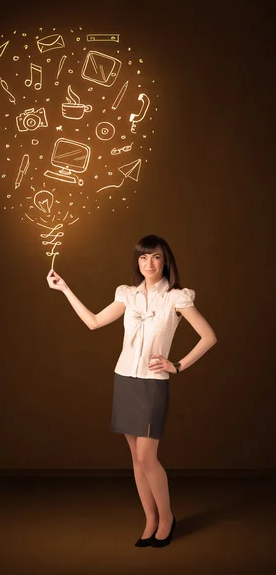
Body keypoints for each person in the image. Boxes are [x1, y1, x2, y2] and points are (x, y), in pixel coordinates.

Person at [46, 234, 217, 548]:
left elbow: (208, 337)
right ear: (137, 262)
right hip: (124, 380)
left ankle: (166, 518)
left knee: (147, 456)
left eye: (155, 257)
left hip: (153, 384)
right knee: (136, 460)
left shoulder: (177, 297)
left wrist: (176, 364)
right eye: (143, 258)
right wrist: (65, 289)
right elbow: (94, 322)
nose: (148, 263)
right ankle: (150, 519)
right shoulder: (127, 295)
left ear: (165, 261)